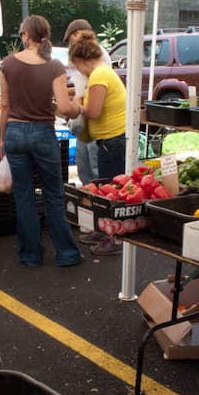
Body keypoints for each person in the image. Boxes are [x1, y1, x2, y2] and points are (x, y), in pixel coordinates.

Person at [0, 14, 83, 268]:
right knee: (53, 195)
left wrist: (2, 140)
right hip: (43, 134)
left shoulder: (7, 64)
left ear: (25, 35)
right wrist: (78, 108)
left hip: (14, 132)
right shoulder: (54, 67)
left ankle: (30, 255)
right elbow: (65, 108)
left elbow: (4, 106)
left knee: (23, 196)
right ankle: (66, 253)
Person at [68, 30, 127, 256]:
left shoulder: (99, 75)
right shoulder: (103, 73)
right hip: (109, 140)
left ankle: (114, 238)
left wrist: (76, 104)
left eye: (76, 66)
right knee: (105, 189)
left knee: (112, 194)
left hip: (113, 141)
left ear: (82, 60)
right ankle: (104, 230)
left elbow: (93, 111)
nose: (77, 72)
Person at [64, 19, 110, 187]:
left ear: (77, 34)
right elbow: (82, 85)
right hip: (87, 125)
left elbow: (92, 96)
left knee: (95, 169)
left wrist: (76, 104)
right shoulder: (90, 59)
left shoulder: (98, 57)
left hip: (96, 125)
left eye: (70, 39)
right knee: (84, 167)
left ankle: (94, 202)